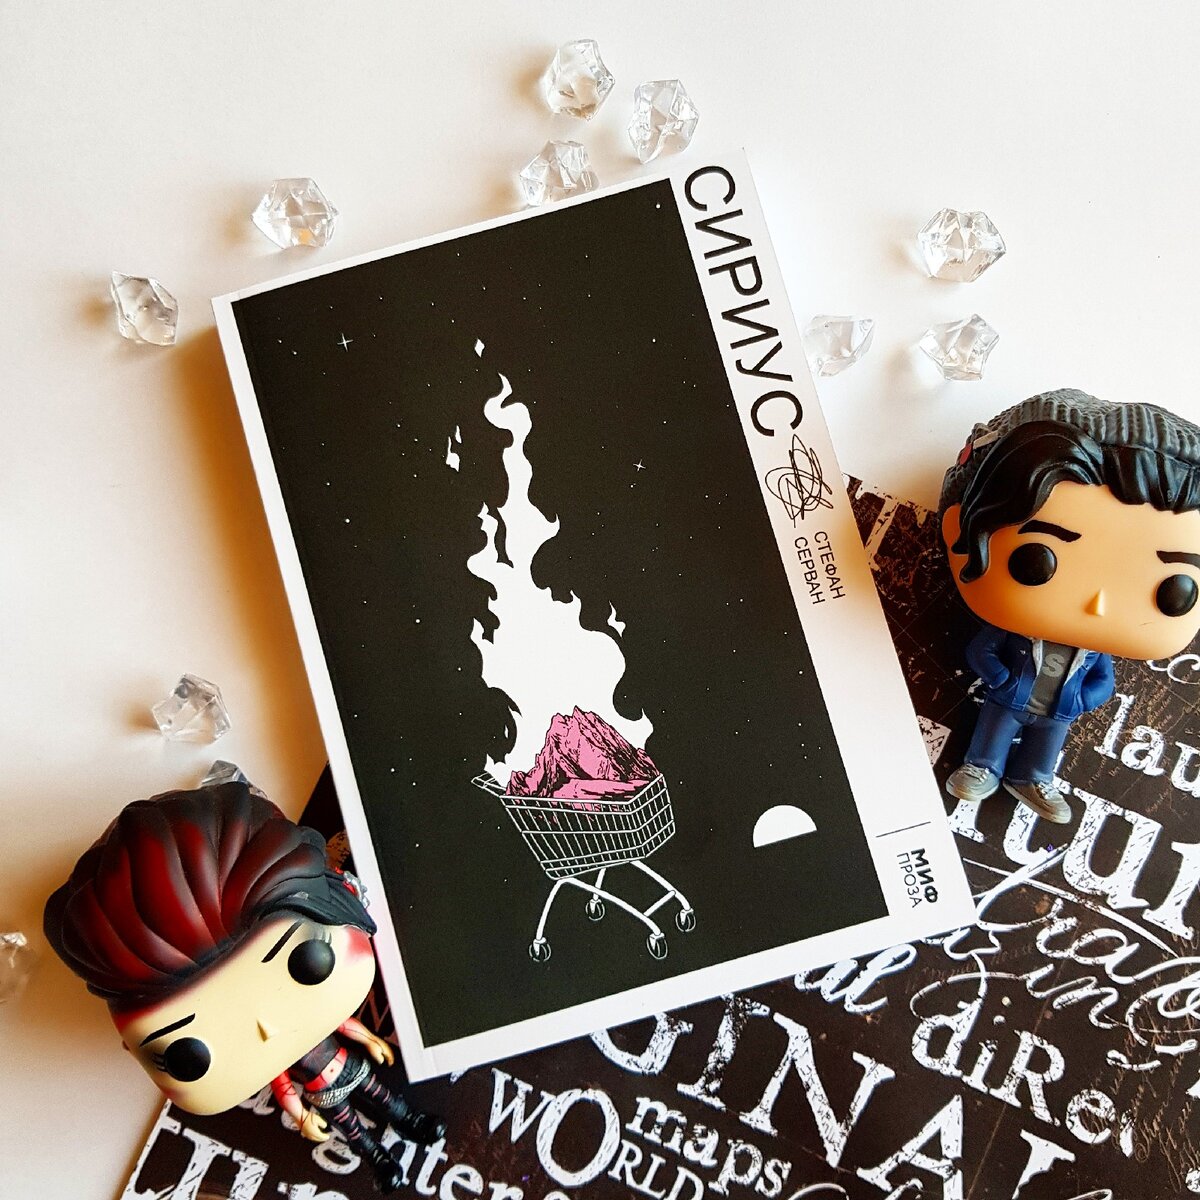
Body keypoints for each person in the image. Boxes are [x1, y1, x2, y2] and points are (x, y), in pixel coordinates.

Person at [44, 781, 444, 1194]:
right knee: (347, 1122)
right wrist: (300, 1114)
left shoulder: (306, 1023)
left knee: (376, 1091)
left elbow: (342, 1026)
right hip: (320, 1089)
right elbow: (283, 1084)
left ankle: (406, 1119)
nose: (266, 1029)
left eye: (307, 960)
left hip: (341, 1063)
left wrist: (369, 1039)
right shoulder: (275, 1058)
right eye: (185, 1054)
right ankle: (376, 1156)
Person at [939, 389, 1200, 823]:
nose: (1098, 604)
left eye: (1173, 590)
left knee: (1046, 747)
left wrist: (1081, 699)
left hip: (1059, 710)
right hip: (1009, 698)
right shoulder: (1015, 633)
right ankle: (981, 767)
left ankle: (1033, 778)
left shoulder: (1094, 653)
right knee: (993, 732)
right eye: (1035, 559)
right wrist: (1003, 679)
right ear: (956, 533)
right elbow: (981, 650)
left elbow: (1104, 681)